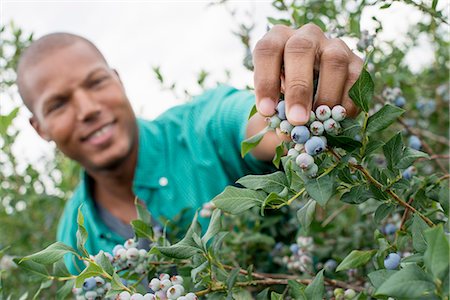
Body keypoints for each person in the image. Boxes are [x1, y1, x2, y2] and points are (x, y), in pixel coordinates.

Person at [16, 23, 362, 274]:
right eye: (58, 104)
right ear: (40, 128)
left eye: (96, 82)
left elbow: (257, 126)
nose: (87, 108)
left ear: (118, 81)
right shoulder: (74, 242)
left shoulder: (201, 130)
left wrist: (302, 99)